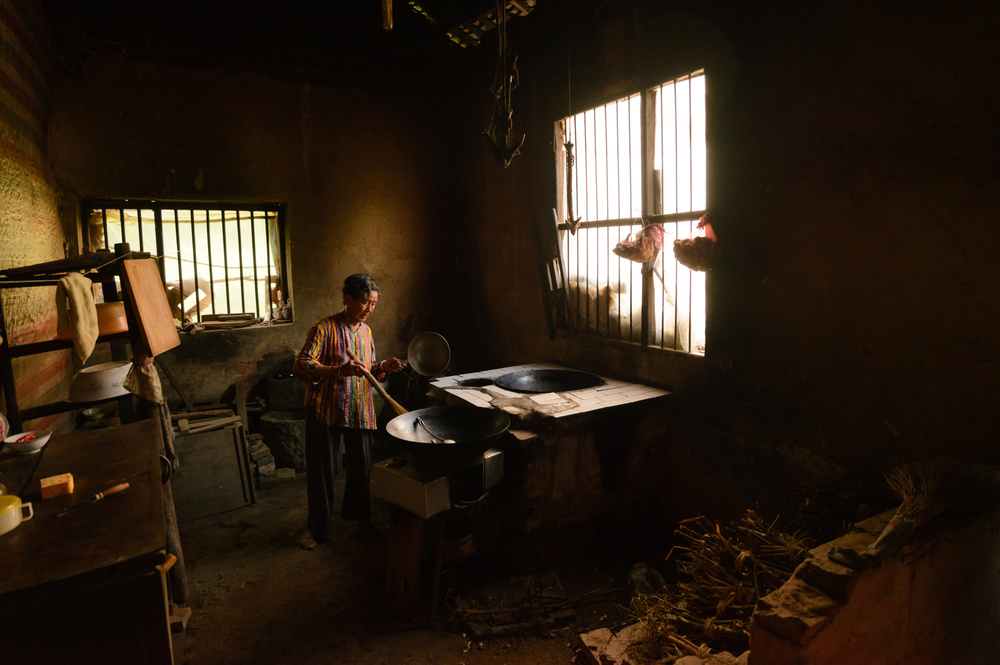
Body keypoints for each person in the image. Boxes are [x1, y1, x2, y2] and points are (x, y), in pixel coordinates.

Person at [293, 273, 406, 550]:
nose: (370, 309)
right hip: (326, 409)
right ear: (349, 299)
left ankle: (360, 521)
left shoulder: (366, 332)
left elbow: (367, 368)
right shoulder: (324, 329)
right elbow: (301, 365)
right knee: (323, 471)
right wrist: (338, 371)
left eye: (374, 304)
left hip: (360, 407)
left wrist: (382, 366)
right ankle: (317, 529)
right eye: (366, 302)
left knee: (361, 468)